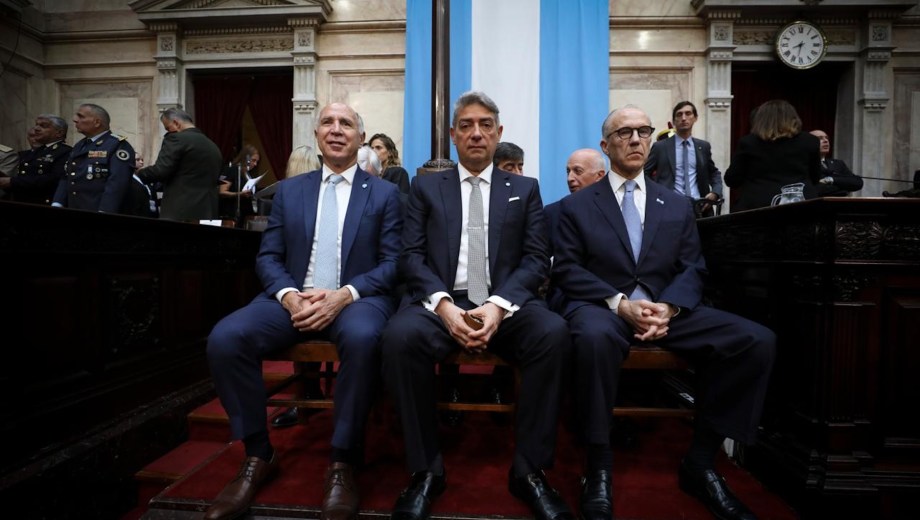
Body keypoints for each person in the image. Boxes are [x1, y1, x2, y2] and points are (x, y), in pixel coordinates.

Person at [552, 105, 776, 520]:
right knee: (593, 337)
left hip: (666, 308)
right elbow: (566, 268)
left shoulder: (674, 204)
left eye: (643, 131)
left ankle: (702, 461)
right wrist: (621, 304)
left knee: (755, 341)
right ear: (606, 146)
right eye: (624, 133)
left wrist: (668, 307)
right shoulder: (577, 206)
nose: (636, 139)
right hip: (605, 307)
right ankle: (598, 464)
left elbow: (693, 266)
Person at [204, 102, 402, 520]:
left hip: (356, 299)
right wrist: (290, 295)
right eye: (327, 123)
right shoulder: (291, 190)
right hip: (293, 298)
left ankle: (343, 461)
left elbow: (393, 264)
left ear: (360, 137)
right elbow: (268, 256)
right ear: (316, 136)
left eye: (346, 123)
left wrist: (344, 295)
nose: (336, 129)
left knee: (365, 338)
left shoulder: (385, 194)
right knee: (225, 338)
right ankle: (258, 454)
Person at [380, 91, 573, 520]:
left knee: (554, 334)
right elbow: (410, 256)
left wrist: (499, 307)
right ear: (453, 135)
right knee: (398, 338)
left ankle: (529, 469)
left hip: (506, 303)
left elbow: (536, 258)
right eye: (466, 125)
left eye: (485, 124)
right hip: (441, 300)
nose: (476, 133)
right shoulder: (428, 187)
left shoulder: (525, 188)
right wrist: (445, 307)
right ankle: (425, 469)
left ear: (498, 132)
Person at [724, 99, 821, 212]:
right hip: (801, 203)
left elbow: (732, 179)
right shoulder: (810, 141)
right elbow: (815, 177)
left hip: (758, 206)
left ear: (761, 120)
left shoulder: (748, 142)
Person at [135, 107, 223, 221]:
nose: (168, 132)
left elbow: (161, 170)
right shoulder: (212, 145)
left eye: (167, 128)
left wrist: (137, 174)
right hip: (208, 212)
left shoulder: (176, 138)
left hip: (181, 211)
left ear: (176, 123)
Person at [52, 103, 135, 213]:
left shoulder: (117, 145)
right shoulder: (80, 145)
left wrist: (105, 211)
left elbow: (117, 183)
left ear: (97, 122)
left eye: (81, 116)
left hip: (99, 210)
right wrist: (58, 202)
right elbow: (67, 175)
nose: (75, 120)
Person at [645, 101, 723, 217]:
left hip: (699, 207)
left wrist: (715, 192)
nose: (684, 118)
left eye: (688, 114)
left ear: (695, 118)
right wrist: (656, 195)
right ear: (674, 120)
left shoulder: (703, 147)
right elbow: (644, 174)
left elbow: (714, 173)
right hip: (669, 207)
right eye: (679, 114)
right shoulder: (660, 147)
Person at [0, 115, 71, 205]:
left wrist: (12, 182)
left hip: (43, 205)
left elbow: (53, 179)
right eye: (36, 125)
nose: (36, 128)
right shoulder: (38, 151)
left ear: (59, 133)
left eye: (43, 126)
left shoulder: (65, 152)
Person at [809, 129, 864, 197]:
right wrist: (845, 188)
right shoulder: (804, 164)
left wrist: (831, 180)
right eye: (820, 138)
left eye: (827, 138)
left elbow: (857, 182)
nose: (826, 141)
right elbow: (814, 190)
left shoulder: (838, 164)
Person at [219, 144, 260, 221]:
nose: (255, 164)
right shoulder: (231, 170)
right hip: (233, 214)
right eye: (253, 160)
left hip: (247, 215)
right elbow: (222, 192)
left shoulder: (248, 174)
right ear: (246, 158)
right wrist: (239, 194)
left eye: (257, 161)